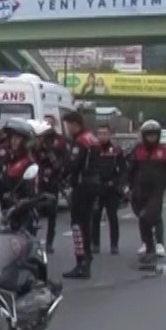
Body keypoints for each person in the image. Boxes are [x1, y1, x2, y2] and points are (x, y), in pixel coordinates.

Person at [127, 120, 166, 268]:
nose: (151, 138)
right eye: (148, 135)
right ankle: (147, 244)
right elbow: (130, 170)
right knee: (142, 217)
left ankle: (153, 247)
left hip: (157, 191)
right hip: (139, 191)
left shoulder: (164, 152)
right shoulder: (137, 151)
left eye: (154, 135)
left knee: (149, 216)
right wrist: (126, 186)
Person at [60, 111, 102, 280]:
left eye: (68, 125)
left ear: (74, 124)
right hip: (94, 184)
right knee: (86, 224)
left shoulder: (81, 141)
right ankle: (86, 259)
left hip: (83, 186)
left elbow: (73, 164)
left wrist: (62, 175)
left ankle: (82, 263)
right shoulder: (93, 138)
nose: (67, 129)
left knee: (78, 225)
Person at [87, 124, 127, 255]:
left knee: (112, 217)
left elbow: (123, 170)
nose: (102, 136)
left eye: (105, 133)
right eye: (100, 133)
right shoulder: (93, 150)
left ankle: (114, 245)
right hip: (97, 188)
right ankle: (95, 244)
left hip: (111, 189)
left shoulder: (116, 150)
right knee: (95, 216)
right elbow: (88, 168)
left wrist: (118, 184)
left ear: (110, 135)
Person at [34, 116, 69, 253]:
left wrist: (55, 169)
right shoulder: (38, 138)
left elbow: (64, 159)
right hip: (39, 178)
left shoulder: (59, 140)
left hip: (54, 180)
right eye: (45, 122)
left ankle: (49, 243)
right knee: (35, 210)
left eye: (50, 122)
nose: (48, 124)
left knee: (52, 213)